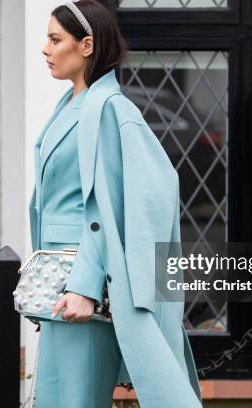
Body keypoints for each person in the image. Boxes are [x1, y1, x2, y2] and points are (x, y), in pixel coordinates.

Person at [29, 1, 203, 407]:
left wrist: (85, 286)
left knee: (75, 400)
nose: (45, 49)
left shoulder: (110, 109)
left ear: (86, 45)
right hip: (56, 281)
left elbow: (116, 206)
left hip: (81, 284)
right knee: (55, 400)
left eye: (56, 39)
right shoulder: (71, 106)